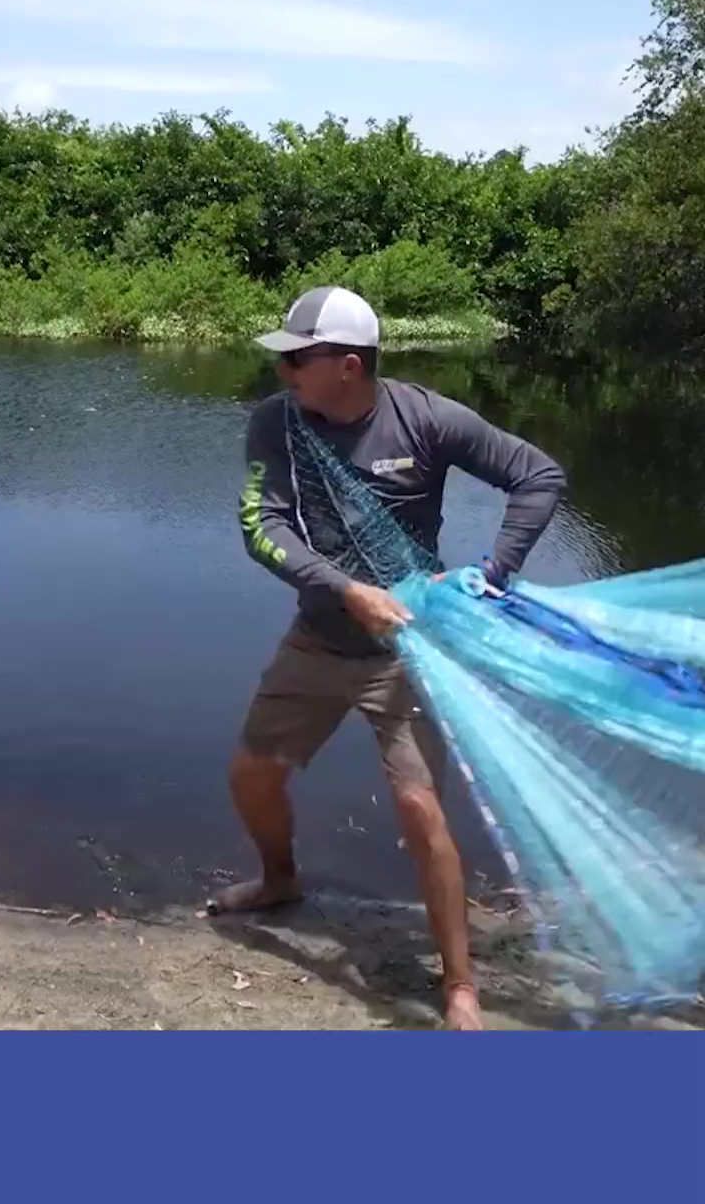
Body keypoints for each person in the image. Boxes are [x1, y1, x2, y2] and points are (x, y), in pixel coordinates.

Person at [212, 285, 566, 1030]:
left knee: (418, 808)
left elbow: (539, 476)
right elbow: (262, 527)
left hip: (406, 649)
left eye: (295, 361)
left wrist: (488, 576)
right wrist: (345, 591)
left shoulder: (426, 418)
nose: (282, 374)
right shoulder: (275, 424)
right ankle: (279, 879)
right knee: (251, 777)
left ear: (347, 365)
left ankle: (460, 985)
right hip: (318, 637)